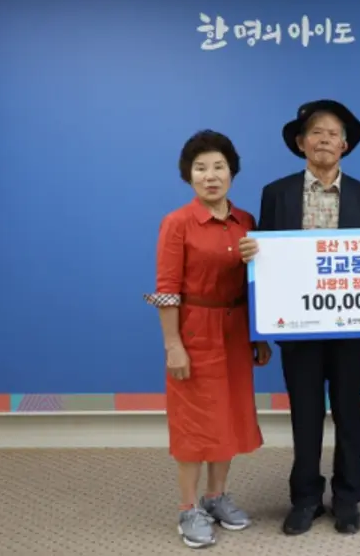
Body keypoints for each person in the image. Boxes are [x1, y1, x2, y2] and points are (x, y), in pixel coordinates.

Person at [238, 99, 360, 536]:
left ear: (345, 145)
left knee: (349, 414)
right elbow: (264, 264)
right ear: (301, 143)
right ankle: (305, 498)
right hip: (297, 326)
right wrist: (259, 326)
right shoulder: (277, 193)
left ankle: (348, 497)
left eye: (333, 133)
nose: (324, 140)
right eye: (316, 132)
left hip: (350, 327)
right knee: (304, 414)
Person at [143, 130, 271, 550]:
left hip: (236, 330)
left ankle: (216, 497)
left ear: (232, 172)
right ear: (188, 175)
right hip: (194, 330)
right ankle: (188, 508)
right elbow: (166, 289)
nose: (210, 176)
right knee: (194, 424)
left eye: (219, 167)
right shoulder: (177, 222)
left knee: (228, 417)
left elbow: (256, 282)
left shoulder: (246, 221)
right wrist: (172, 345)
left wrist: (258, 334)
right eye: (201, 168)